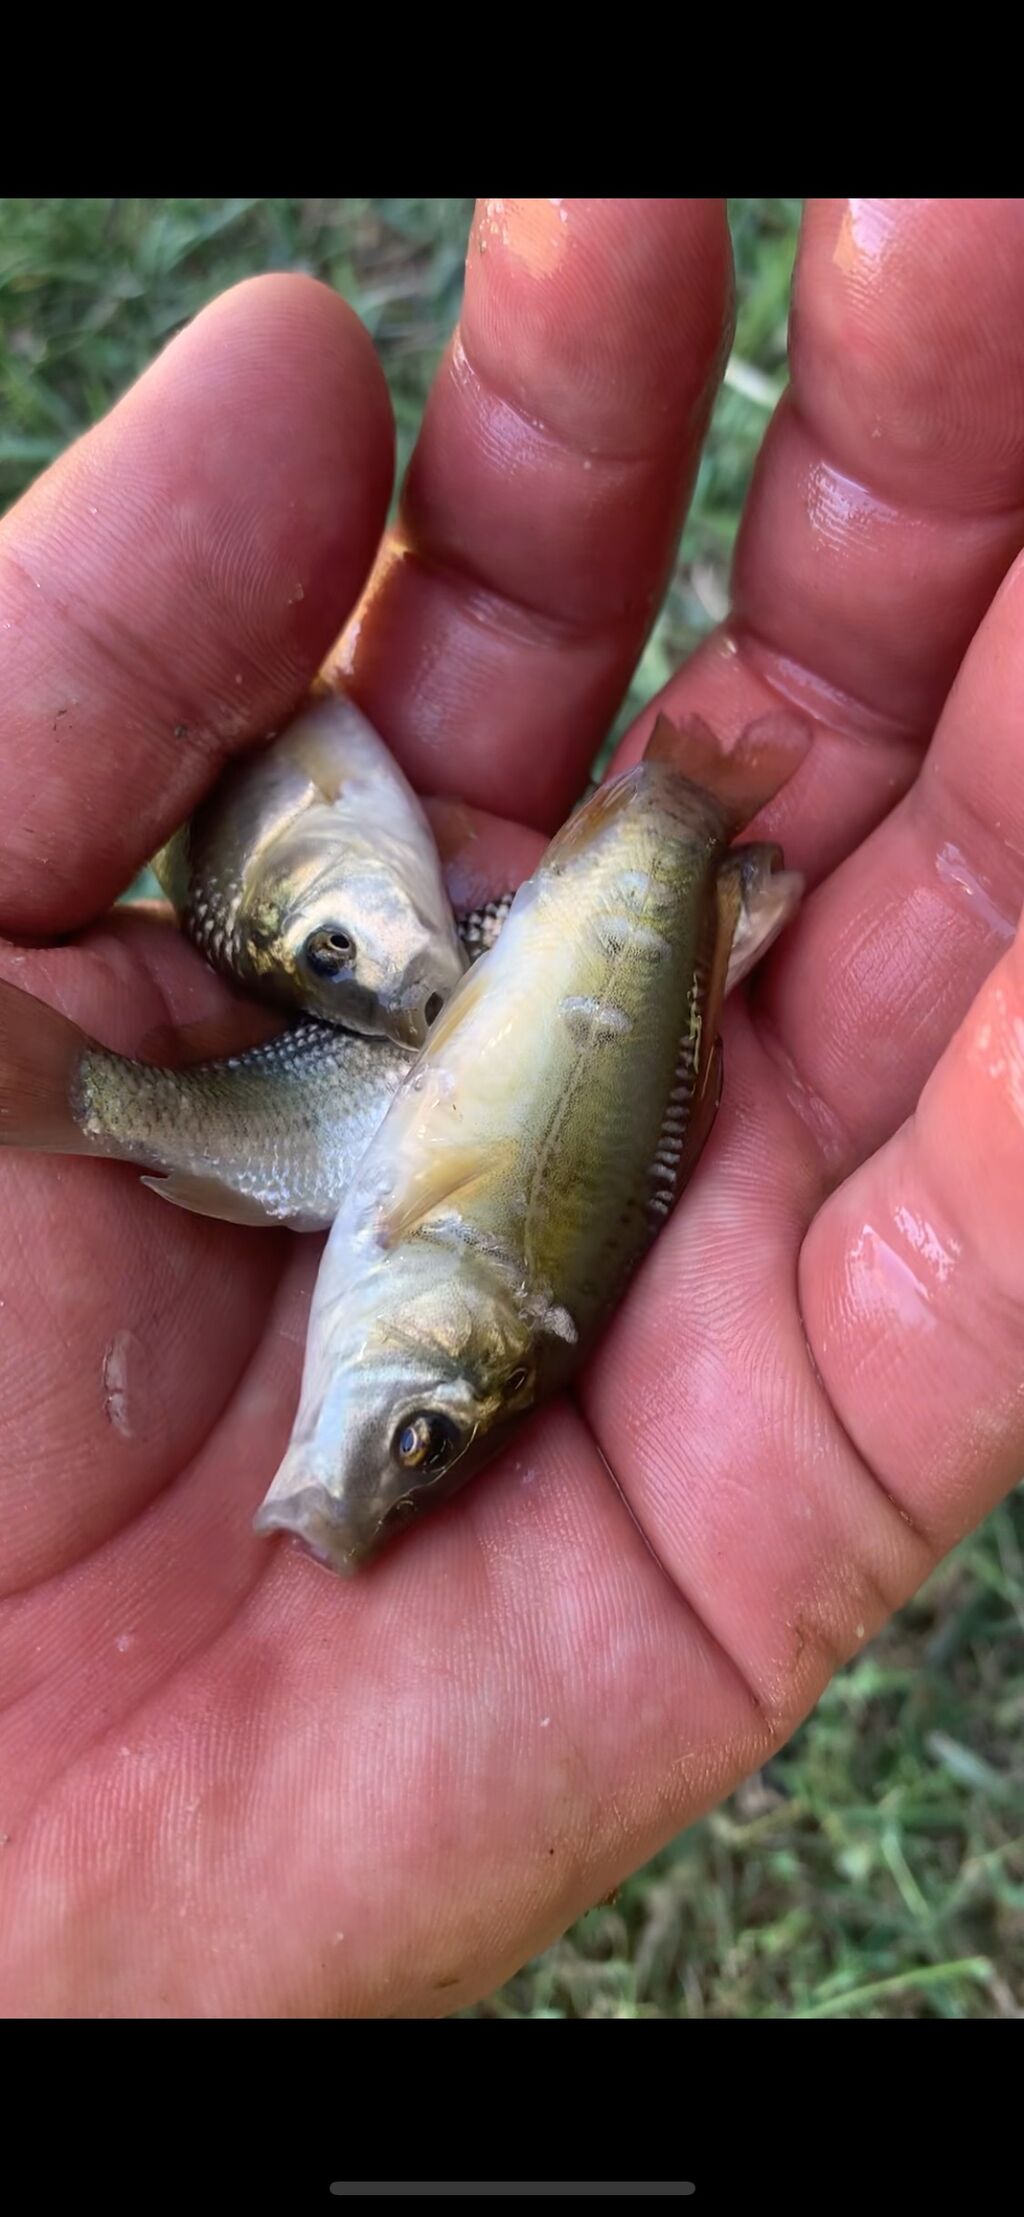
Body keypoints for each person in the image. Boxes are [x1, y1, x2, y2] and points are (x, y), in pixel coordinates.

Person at [0, 197, 1022, 2018]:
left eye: (411, 1450)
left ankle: (673, 827)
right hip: (518, 1049)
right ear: (470, 1351)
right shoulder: (442, 1274)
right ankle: (672, 827)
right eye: (417, 1443)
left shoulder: (403, 1257)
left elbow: (424, 1103)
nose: (355, 1465)